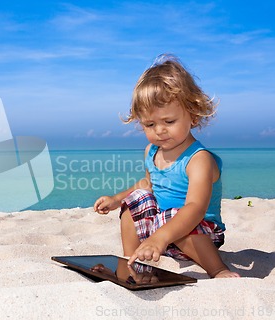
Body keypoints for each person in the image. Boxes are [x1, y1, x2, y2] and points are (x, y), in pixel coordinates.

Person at [93, 54, 240, 278]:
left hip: (199, 233)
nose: (159, 130)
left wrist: (160, 237)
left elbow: (195, 208)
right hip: (160, 233)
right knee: (136, 200)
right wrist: (117, 199)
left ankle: (218, 269)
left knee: (173, 215)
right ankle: (133, 259)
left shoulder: (199, 159)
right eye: (150, 124)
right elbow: (147, 185)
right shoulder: (151, 152)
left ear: (192, 115)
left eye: (168, 122)